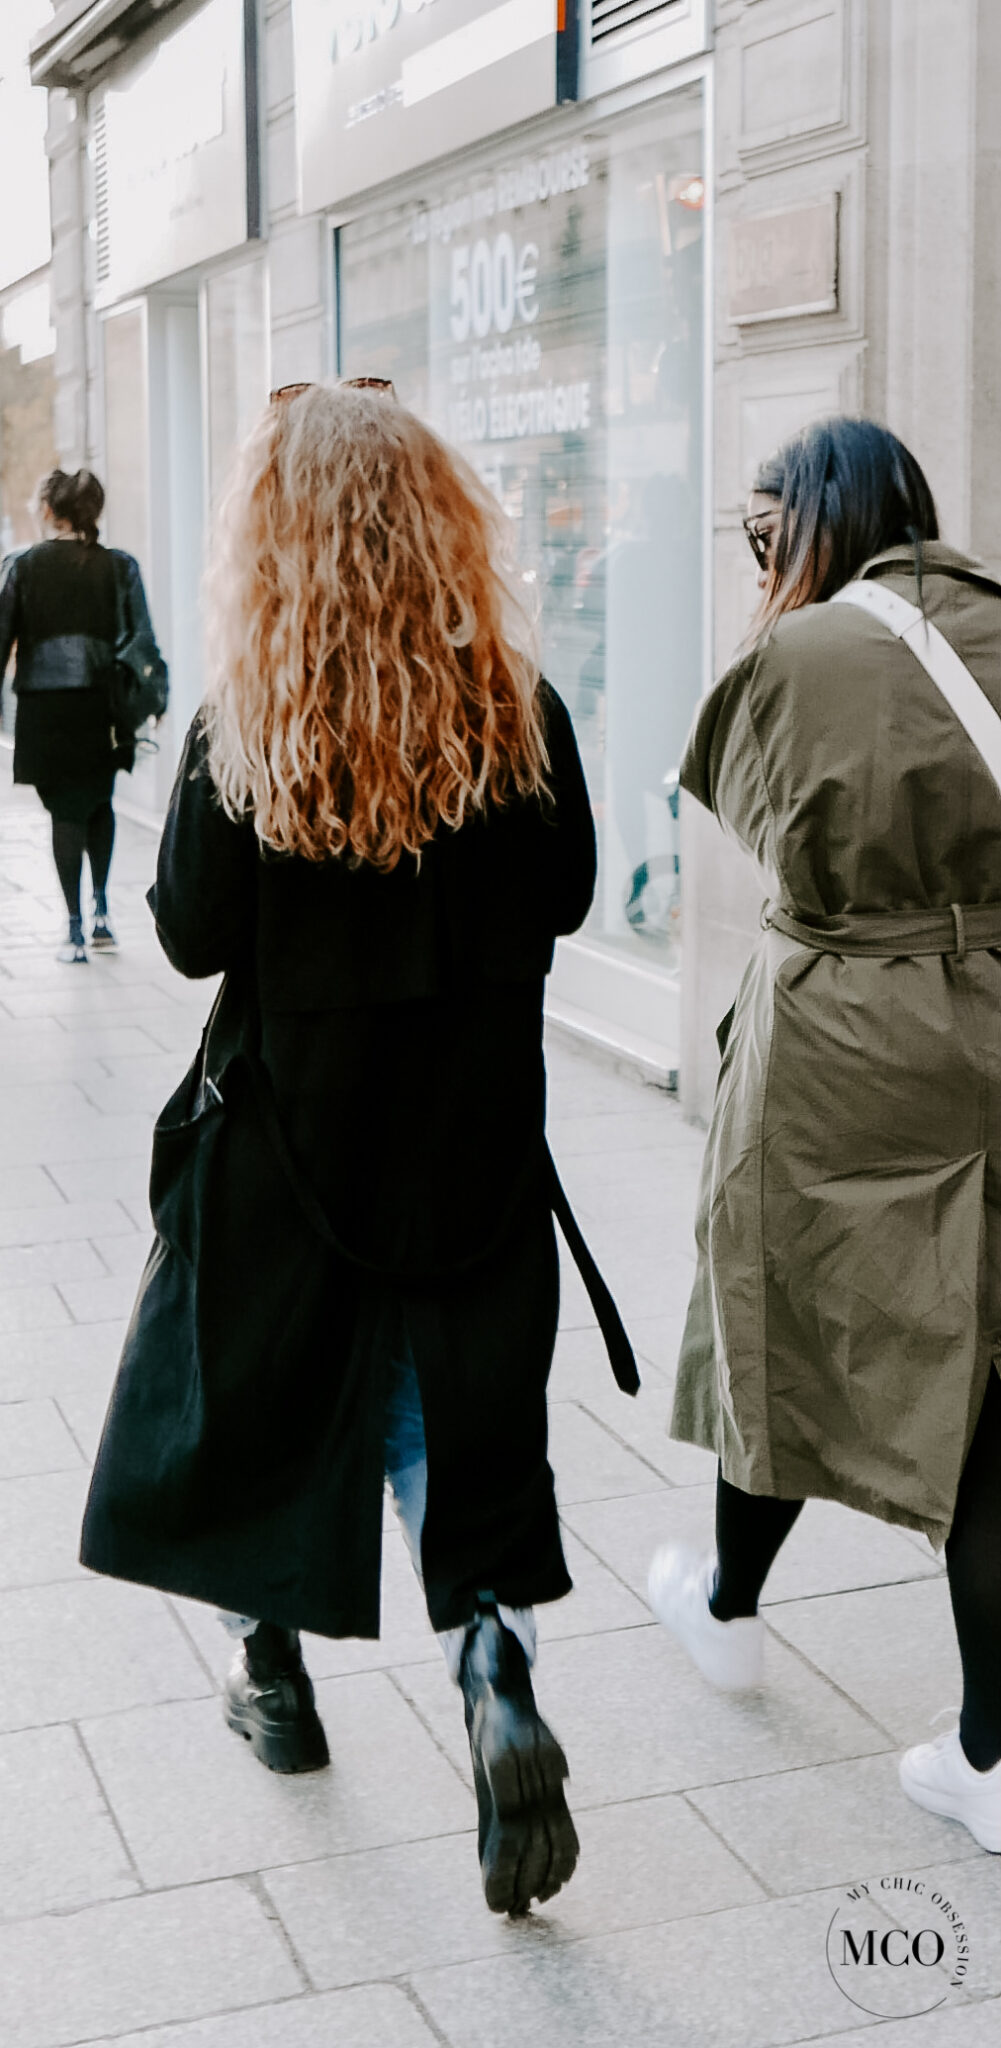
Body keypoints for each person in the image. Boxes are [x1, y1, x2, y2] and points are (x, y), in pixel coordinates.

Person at [80, 383, 637, 1915]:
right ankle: (491, 1669)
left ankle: (276, 1676)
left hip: (289, 1154)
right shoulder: (518, 712)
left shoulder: (242, 725)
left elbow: (189, 933)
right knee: (456, 1426)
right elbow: (573, 896)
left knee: (261, 1409)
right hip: (466, 1155)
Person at [647, 416, 1001, 1856]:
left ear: (813, 517)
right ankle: (988, 1754)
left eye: (759, 528)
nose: (758, 553)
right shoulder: (991, 616)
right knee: (988, 1370)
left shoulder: (794, 659)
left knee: (776, 1307)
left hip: (845, 1034)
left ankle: (728, 1611)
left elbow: (773, 837)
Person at [0, 468, 160, 962]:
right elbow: (142, 641)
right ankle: (102, 911)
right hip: (102, 707)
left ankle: (73, 926)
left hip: (45, 712)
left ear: (48, 509)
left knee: (64, 813)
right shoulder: (119, 566)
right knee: (99, 803)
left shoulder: (22, 566)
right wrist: (148, 704)